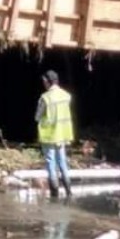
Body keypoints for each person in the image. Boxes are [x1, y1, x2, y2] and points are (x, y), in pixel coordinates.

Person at [36, 70, 74, 198]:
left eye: (44, 81)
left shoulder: (45, 97)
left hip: (49, 136)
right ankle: (69, 192)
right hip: (62, 135)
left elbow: (37, 116)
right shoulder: (67, 96)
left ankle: (54, 194)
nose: (43, 84)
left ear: (47, 82)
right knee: (62, 162)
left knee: (51, 163)